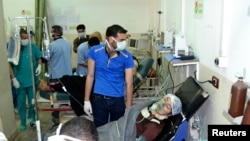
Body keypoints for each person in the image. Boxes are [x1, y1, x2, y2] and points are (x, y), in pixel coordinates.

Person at [84, 24, 135, 127]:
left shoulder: (126, 56)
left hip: (118, 99)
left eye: (124, 40)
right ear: (111, 39)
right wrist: (86, 100)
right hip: (99, 98)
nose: (124, 43)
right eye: (121, 40)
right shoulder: (95, 51)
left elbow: (129, 83)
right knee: (100, 130)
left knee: (117, 131)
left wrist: (128, 108)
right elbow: (90, 76)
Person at [97, 94, 182, 141]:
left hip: (120, 136)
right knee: (92, 133)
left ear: (169, 114)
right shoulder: (151, 105)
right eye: (165, 99)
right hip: (116, 126)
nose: (163, 103)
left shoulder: (154, 126)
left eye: (167, 107)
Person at [9, 29, 42, 131]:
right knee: (21, 102)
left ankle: (32, 118)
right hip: (20, 81)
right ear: (18, 38)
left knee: (32, 101)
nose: (25, 40)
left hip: (31, 80)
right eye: (23, 38)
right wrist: (14, 79)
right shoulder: (14, 49)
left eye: (26, 38)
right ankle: (23, 122)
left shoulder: (33, 47)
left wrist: (39, 65)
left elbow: (39, 58)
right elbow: (9, 65)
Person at [43, 25, 73, 125]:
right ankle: (69, 114)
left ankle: (55, 117)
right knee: (67, 95)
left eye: (52, 32)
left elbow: (45, 59)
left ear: (55, 33)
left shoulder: (51, 46)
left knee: (54, 97)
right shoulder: (68, 44)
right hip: (68, 74)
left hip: (56, 75)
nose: (51, 34)